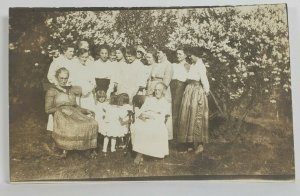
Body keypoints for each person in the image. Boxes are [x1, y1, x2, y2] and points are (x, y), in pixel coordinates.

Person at [45, 67, 98, 157]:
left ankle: (87, 148)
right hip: (61, 115)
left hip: (74, 113)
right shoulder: (52, 91)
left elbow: (76, 106)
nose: (63, 80)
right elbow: (48, 110)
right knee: (75, 125)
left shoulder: (71, 90)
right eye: (61, 78)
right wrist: (61, 109)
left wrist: (85, 110)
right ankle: (65, 149)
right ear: (57, 78)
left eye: (65, 78)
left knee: (92, 122)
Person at [177, 47, 210, 154]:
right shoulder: (193, 65)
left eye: (191, 55)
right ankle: (189, 144)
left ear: (196, 55)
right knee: (187, 116)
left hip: (196, 92)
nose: (189, 57)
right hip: (189, 91)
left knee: (197, 116)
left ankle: (200, 144)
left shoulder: (200, 65)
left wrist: (206, 91)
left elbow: (204, 79)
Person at [131, 82, 170, 164]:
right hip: (144, 117)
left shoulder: (165, 103)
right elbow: (140, 111)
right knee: (137, 126)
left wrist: (151, 117)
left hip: (157, 121)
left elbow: (162, 117)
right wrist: (142, 116)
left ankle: (139, 154)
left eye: (159, 90)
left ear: (163, 91)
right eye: (155, 90)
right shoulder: (149, 99)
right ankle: (141, 153)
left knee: (148, 127)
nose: (156, 92)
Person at [46, 43, 76, 132]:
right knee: (57, 110)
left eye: (73, 51)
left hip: (70, 89)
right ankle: (53, 131)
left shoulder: (74, 61)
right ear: (64, 51)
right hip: (58, 89)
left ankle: (67, 132)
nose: (72, 53)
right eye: (70, 51)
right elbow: (50, 75)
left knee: (70, 110)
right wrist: (58, 85)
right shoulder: (57, 61)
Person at [147, 47, 174, 140]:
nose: (157, 55)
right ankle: (152, 135)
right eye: (157, 53)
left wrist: (159, 91)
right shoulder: (155, 65)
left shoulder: (168, 65)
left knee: (163, 112)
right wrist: (149, 90)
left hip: (162, 90)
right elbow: (150, 78)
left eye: (159, 53)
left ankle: (165, 137)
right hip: (152, 89)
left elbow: (166, 82)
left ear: (165, 54)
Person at [170, 48, 188, 139]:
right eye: (177, 54)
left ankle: (176, 134)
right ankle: (169, 134)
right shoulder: (173, 65)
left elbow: (189, 79)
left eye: (180, 54)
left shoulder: (187, 66)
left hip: (180, 87)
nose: (178, 56)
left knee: (177, 109)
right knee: (170, 108)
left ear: (185, 55)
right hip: (172, 86)